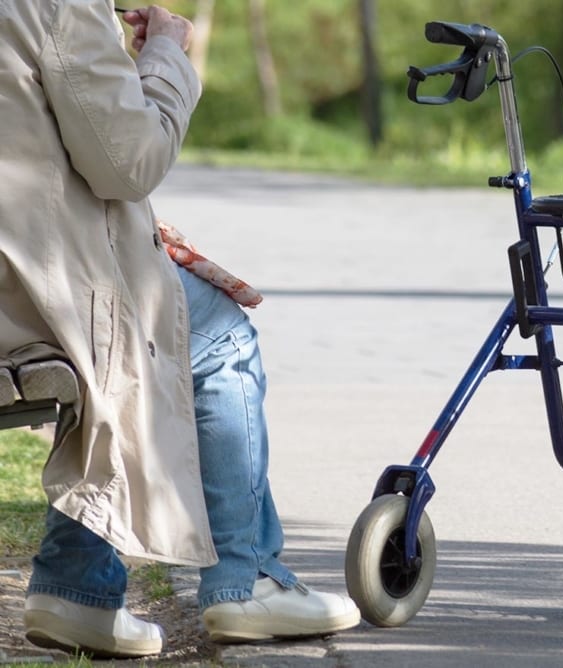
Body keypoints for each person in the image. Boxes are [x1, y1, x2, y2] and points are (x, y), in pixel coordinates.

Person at [0, 2, 359, 659]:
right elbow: (128, 161)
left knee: (161, 309)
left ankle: (78, 584)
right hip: (26, 298)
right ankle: (243, 580)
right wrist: (167, 53)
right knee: (218, 334)